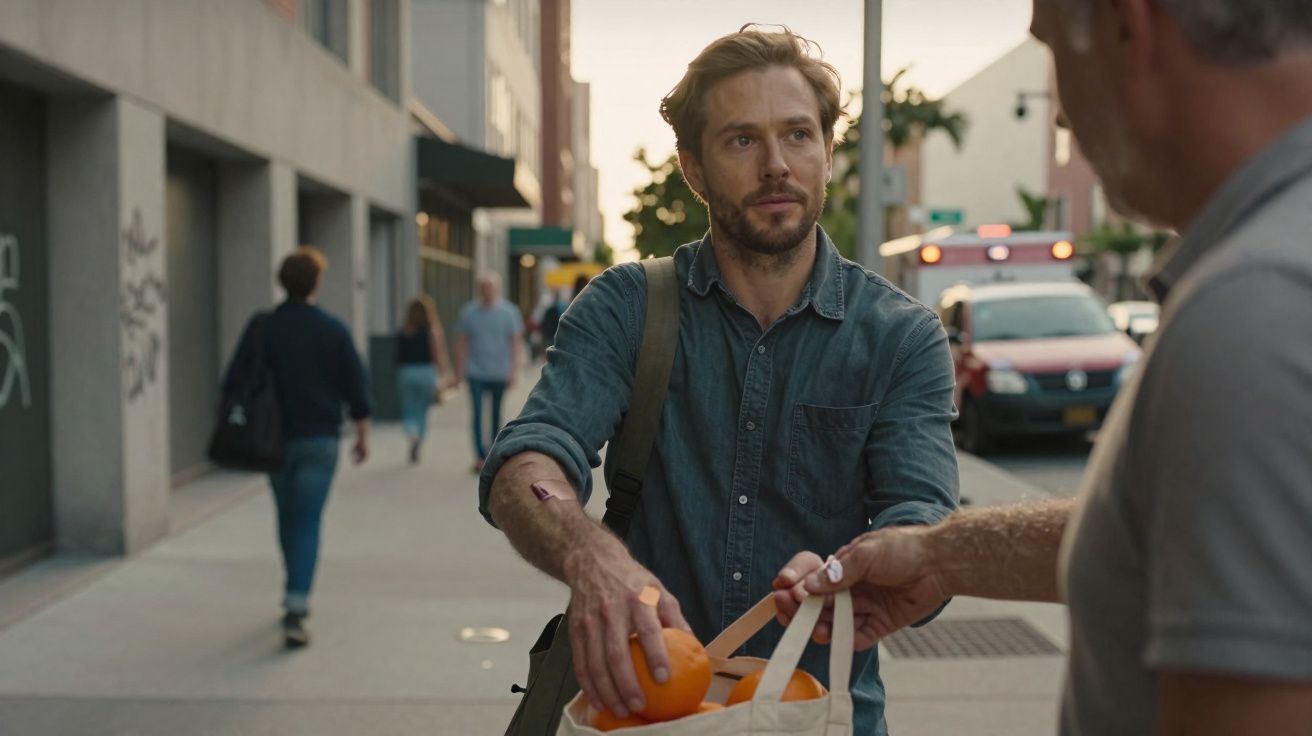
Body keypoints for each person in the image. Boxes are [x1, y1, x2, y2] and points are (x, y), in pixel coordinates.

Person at [774, 2, 1312, 734]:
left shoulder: (1256, 308)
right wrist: (937, 555)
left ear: (1130, 30)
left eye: (1054, 50)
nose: (1059, 118)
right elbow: (1175, 529)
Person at [479, 27, 958, 734]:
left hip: (817, 720)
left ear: (829, 153)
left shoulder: (900, 336)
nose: (775, 166)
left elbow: (924, 523)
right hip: (644, 715)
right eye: (741, 140)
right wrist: (591, 559)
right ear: (694, 168)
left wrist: (858, 569)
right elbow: (527, 461)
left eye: (798, 135)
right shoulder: (626, 307)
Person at [222, 246, 371, 648]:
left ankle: (293, 589)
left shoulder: (264, 327)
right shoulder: (332, 329)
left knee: (287, 517)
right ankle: (296, 604)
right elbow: (355, 387)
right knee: (307, 521)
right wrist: (362, 434)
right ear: (316, 283)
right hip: (319, 440)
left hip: (273, 441)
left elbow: (234, 379)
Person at [456, 271, 524, 472]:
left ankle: (493, 454)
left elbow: (515, 343)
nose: (487, 291)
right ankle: (479, 456)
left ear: (497, 289)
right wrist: (460, 371)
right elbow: (461, 342)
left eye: (490, 287)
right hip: (476, 371)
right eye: (483, 287)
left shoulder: (509, 313)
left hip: (499, 371)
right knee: (477, 414)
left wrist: (513, 370)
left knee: (496, 413)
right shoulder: (469, 313)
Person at [395, 295, 456, 464]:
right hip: (426, 372)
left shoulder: (403, 331)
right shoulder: (431, 330)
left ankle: (410, 430)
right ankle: (418, 436)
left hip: (406, 372)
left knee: (409, 407)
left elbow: (397, 356)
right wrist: (444, 375)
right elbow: (439, 355)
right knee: (422, 410)